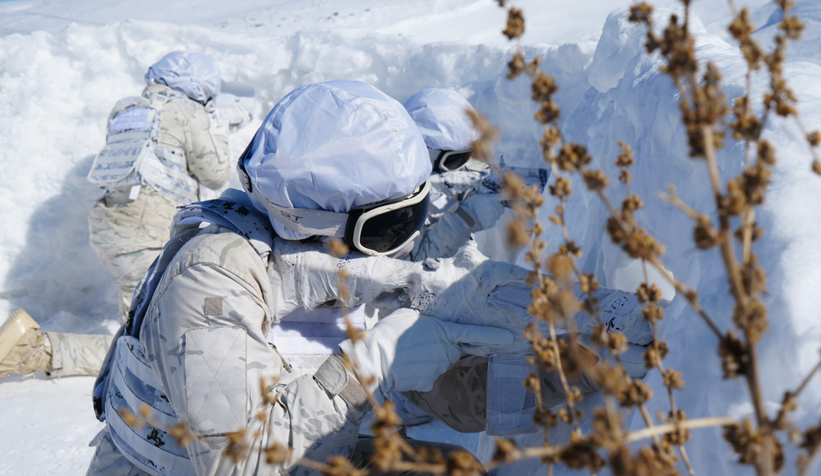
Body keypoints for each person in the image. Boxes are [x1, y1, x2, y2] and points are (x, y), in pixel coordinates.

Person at [85, 80, 521, 476]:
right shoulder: (208, 278)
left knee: (454, 466)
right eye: (388, 224)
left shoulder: (309, 251)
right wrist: (370, 368)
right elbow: (244, 464)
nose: (401, 241)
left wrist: (572, 364)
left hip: (293, 437)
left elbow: (446, 392)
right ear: (314, 218)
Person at [0, 51, 251, 382]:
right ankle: (35, 349)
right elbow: (215, 174)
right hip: (148, 234)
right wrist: (216, 129)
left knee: (142, 324)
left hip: (113, 233)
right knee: (147, 345)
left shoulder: (127, 108)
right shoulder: (186, 110)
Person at [403, 88, 506, 262]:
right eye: (456, 160)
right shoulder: (396, 190)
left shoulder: (444, 174)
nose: (464, 166)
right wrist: (466, 218)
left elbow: (441, 201)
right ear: (425, 153)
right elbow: (410, 267)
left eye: (470, 154)